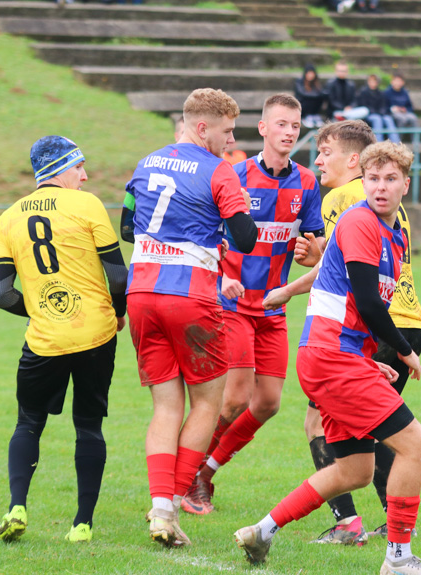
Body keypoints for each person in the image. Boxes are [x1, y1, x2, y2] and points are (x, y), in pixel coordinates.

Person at [234, 140, 421, 575]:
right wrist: (405, 352)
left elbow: (347, 298)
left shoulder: (393, 233)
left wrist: (370, 357)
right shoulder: (360, 222)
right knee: (416, 447)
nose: (380, 187)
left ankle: (262, 531)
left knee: (355, 470)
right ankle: (399, 560)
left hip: (336, 355)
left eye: (390, 179)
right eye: (372, 179)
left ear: (406, 184)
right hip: (331, 358)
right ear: (361, 180)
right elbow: (368, 304)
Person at [179, 94, 326, 515]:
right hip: (235, 304)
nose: (289, 132)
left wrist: (311, 253)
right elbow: (207, 235)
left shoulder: (306, 183)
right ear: (262, 128)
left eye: (295, 126)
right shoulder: (232, 176)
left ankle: (205, 470)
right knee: (234, 399)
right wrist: (223, 274)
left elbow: (314, 246)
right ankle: (187, 476)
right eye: (281, 124)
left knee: (269, 403)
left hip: (274, 308)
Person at [124, 88, 258, 547]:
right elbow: (244, 237)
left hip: (141, 292)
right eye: (227, 130)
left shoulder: (146, 162)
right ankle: (173, 504)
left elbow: (128, 227)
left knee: (165, 405)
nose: (230, 139)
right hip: (190, 296)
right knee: (206, 402)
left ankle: (160, 508)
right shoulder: (220, 170)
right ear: (202, 128)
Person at [0, 136, 128, 544]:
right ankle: (81, 525)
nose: (85, 176)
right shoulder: (88, 205)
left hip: (44, 339)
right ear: (58, 169)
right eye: (78, 167)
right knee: (88, 427)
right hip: (96, 334)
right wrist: (118, 313)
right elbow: (119, 276)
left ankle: (17, 506)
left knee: (28, 422)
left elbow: (0, 294)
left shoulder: (9, 217)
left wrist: (38, 310)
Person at [357, 74, 402, 143]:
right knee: (377, 119)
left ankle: (396, 143)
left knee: (388, 119)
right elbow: (364, 106)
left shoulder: (381, 93)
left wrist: (381, 112)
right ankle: (378, 143)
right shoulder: (363, 92)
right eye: (371, 81)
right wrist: (376, 112)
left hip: (381, 114)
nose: (372, 83)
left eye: (374, 81)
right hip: (370, 115)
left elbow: (383, 106)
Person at [295, 63, 327, 129]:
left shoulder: (316, 84)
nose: (310, 76)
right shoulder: (299, 82)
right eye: (309, 73)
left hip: (314, 109)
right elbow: (303, 94)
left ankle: (315, 116)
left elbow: (322, 94)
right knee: (309, 99)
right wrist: (317, 95)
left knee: (319, 98)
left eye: (312, 73)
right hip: (303, 107)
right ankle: (306, 117)